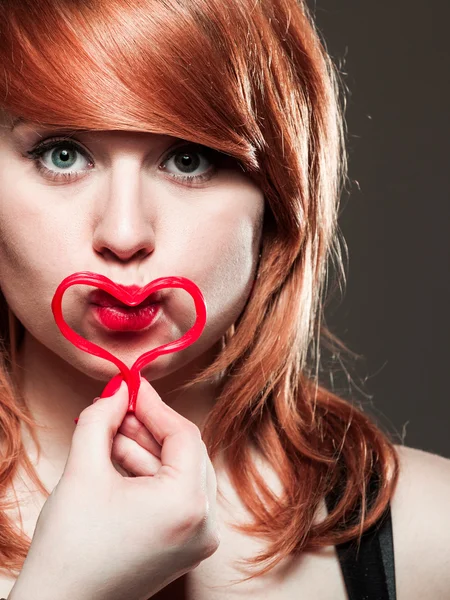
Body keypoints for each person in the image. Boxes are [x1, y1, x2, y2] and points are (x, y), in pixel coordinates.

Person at [0, 0, 449, 599]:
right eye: (63, 154)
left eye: (189, 160)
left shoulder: (431, 536)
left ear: (279, 194)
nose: (125, 234)